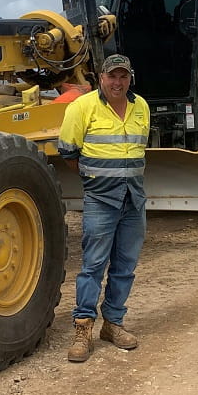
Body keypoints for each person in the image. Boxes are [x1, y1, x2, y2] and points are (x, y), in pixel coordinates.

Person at [57, 53, 151, 363]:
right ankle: (83, 330)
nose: (118, 82)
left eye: (123, 76)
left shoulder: (142, 107)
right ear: (101, 78)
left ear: (130, 78)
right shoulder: (81, 108)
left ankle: (113, 324)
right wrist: (94, 179)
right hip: (100, 200)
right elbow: (69, 153)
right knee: (93, 267)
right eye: (112, 76)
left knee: (124, 267)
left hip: (133, 199)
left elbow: (139, 150)